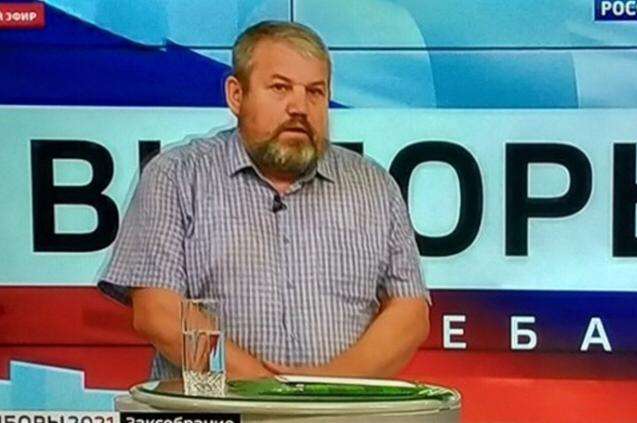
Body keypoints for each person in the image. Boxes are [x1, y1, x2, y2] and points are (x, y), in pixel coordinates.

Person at [98, 20, 430, 381]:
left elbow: (409, 313)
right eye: (280, 88)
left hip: (338, 407)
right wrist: (265, 390)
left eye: (315, 92)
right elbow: (158, 312)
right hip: (215, 407)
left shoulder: (374, 185)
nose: (300, 107)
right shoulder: (176, 177)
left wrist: (325, 389)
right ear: (236, 95)